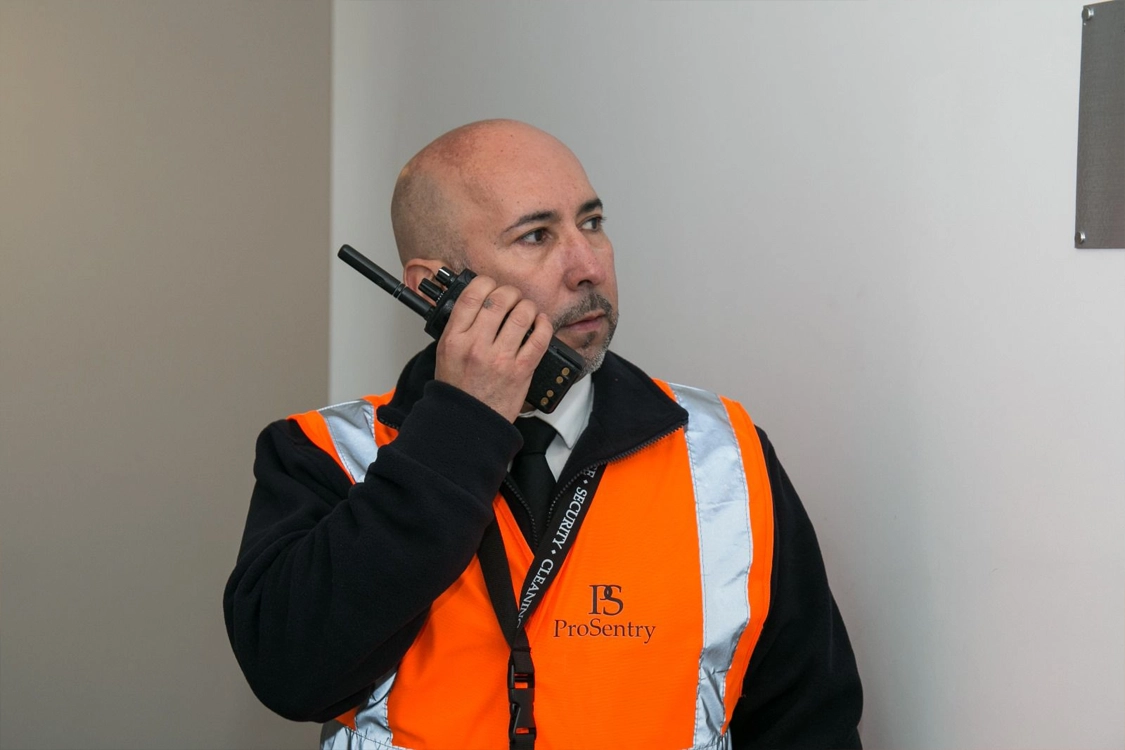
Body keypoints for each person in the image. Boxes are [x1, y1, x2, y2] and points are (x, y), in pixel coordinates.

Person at [224, 120, 863, 749]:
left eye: (592, 223)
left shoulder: (725, 454)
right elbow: (291, 674)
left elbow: (808, 720)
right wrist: (460, 427)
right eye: (536, 235)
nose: (588, 266)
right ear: (434, 289)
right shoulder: (325, 451)